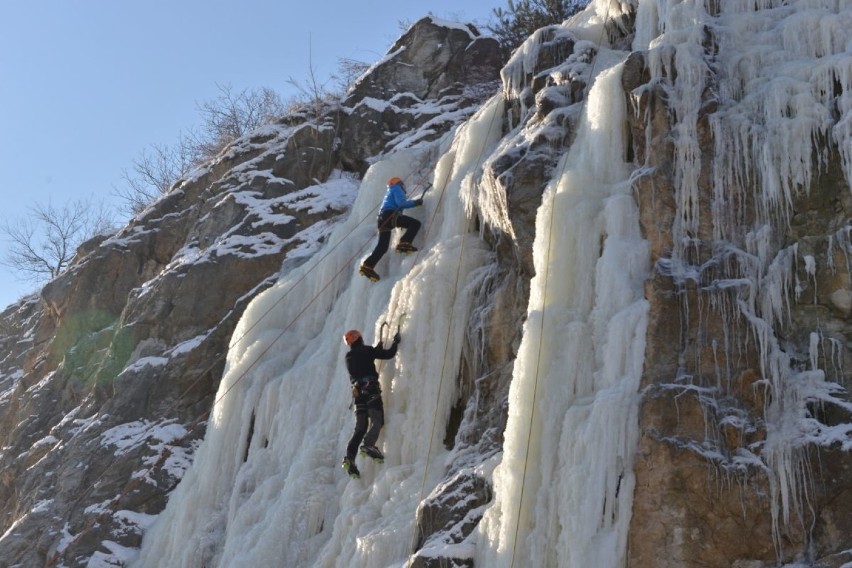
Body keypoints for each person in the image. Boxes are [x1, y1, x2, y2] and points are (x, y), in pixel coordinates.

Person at [341, 328, 401, 478]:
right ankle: (368, 444)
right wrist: (395, 342)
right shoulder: (367, 350)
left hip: (357, 394)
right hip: (370, 390)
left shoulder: (348, 356)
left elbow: (362, 362)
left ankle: (350, 458)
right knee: (377, 420)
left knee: (360, 428)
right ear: (358, 338)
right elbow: (389, 354)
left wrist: (374, 351)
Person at [359, 176, 424, 282]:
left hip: (381, 219)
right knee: (415, 223)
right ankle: (405, 242)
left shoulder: (389, 192)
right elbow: (401, 204)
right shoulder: (396, 188)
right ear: (399, 183)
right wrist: (415, 203)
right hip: (389, 215)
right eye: (402, 184)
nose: (403, 186)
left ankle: (368, 265)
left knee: (383, 246)